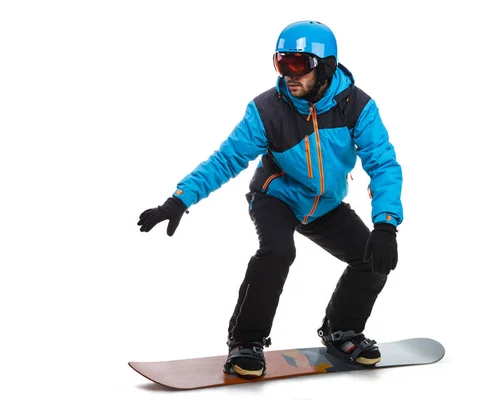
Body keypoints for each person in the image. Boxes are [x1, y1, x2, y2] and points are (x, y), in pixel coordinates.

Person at [137, 20, 403, 378]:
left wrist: (385, 223)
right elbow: (227, 159)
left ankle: (343, 330)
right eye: (281, 63)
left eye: (298, 64)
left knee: (373, 256)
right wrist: (179, 199)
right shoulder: (267, 109)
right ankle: (245, 341)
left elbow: (382, 163)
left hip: (324, 204)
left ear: (325, 67)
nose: (288, 74)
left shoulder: (358, 107)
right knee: (278, 252)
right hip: (276, 195)